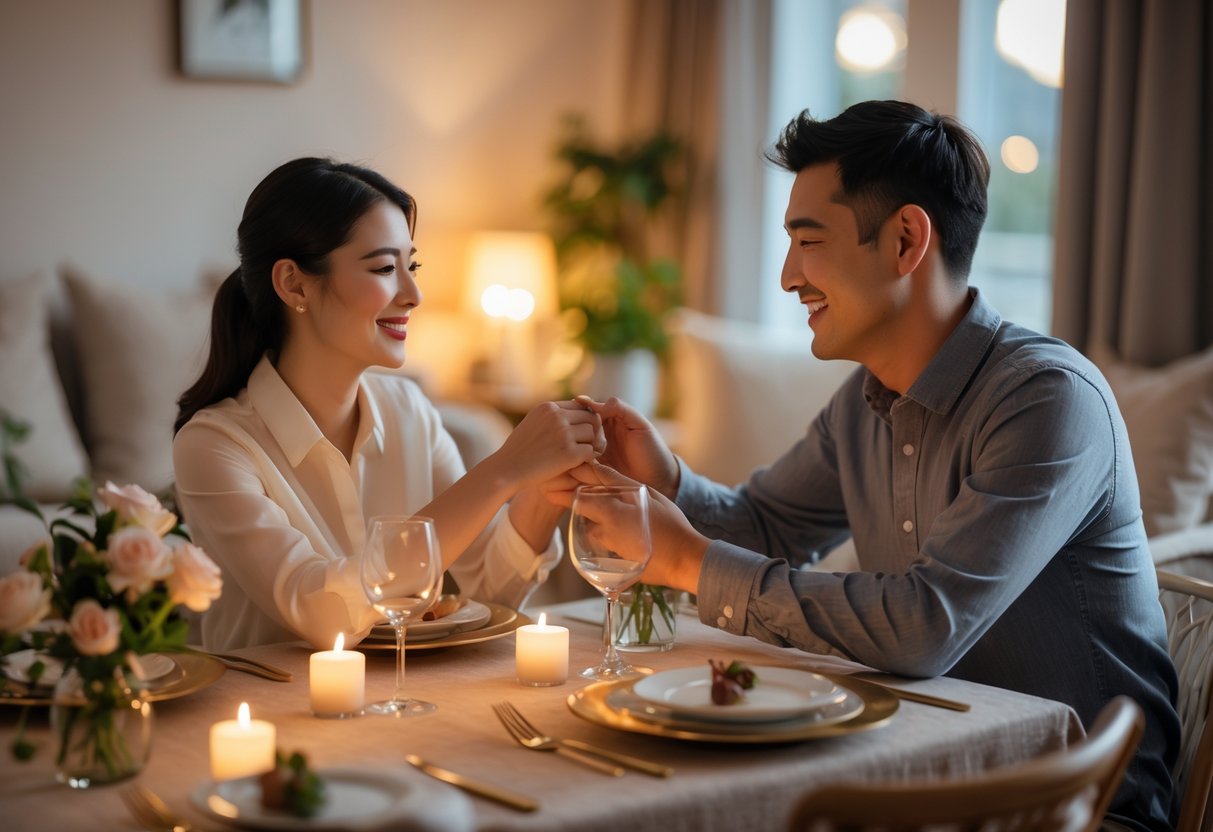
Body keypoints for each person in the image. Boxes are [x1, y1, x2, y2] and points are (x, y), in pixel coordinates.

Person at [565, 101, 1179, 830]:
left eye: (808, 240)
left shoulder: (1046, 401)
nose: (790, 276)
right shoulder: (867, 399)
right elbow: (767, 526)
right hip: (919, 770)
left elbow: (924, 626)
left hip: (1072, 806)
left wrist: (692, 563)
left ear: (905, 239)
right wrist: (663, 476)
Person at [173, 157, 603, 652]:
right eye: (383, 268)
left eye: (411, 266)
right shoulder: (213, 446)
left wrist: (543, 488)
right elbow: (321, 612)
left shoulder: (409, 410)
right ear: (293, 283)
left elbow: (490, 588)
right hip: (272, 713)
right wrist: (503, 470)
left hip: (403, 703)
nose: (414, 294)